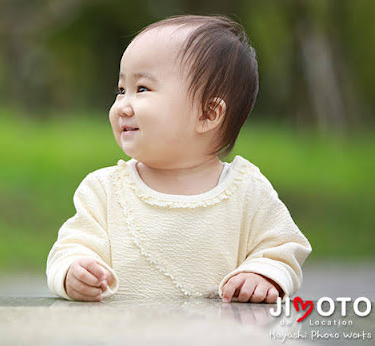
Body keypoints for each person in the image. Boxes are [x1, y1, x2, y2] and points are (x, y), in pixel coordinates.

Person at [45, 15, 312, 303]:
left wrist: (262, 274)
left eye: (142, 89)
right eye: (121, 90)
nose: (122, 105)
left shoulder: (247, 192)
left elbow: (283, 248)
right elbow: (71, 246)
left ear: (208, 114)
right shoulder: (104, 190)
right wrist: (74, 270)